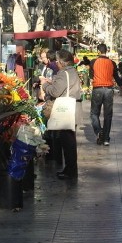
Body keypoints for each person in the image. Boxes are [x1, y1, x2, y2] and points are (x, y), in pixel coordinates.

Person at [41, 50, 82, 179]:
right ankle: (70, 169)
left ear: (61, 62)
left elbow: (55, 92)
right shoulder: (72, 71)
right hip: (73, 109)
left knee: (67, 142)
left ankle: (70, 170)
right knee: (70, 141)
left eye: (57, 61)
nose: (56, 64)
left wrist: (45, 85)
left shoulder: (64, 73)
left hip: (66, 111)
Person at [89, 43, 122, 146]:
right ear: (106, 51)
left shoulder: (93, 62)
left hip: (97, 89)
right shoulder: (112, 63)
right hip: (109, 90)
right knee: (108, 115)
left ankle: (98, 131)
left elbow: (91, 76)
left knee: (94, 113)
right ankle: (106, 139)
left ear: (98, 51)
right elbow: (117, 78)